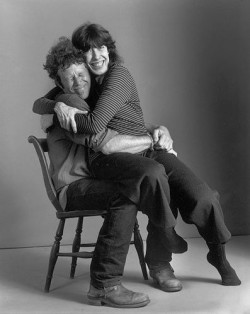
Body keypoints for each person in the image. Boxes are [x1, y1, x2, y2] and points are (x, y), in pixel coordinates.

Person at [34, 24, 241, 296]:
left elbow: (126, 123)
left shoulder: (116, 76)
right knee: (153, 175)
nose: (95, 57)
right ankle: (160, 261)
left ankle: (218, 254)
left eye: (101, 48)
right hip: (113, 159)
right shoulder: (76, 94)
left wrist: (158, 130)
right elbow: (68, 116)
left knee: (201, 195)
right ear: (79, 58)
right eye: (87, 51)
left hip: (143, 151)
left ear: (109, 50)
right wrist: (57, 105)